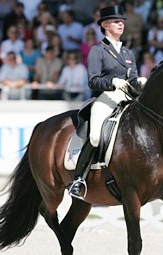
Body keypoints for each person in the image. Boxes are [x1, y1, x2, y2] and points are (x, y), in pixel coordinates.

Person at [68, 5, 147, 198]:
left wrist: (140, 83)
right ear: (105, 25)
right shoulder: (98, 50)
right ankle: (78, 179)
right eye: (115, 21)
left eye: (121, 21)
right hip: (105, 98)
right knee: (95, 136)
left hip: (128, 98)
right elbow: (93, 80)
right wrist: (112, 82)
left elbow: (133, 78)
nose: (121, 24)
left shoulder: (128, 53)